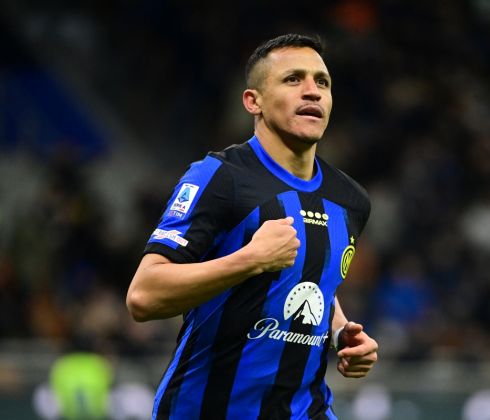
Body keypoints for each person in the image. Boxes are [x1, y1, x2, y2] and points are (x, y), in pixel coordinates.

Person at [126, 33, 378, 419]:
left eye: (322, 82)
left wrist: (340, 331)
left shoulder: (350, 200)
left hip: (305, 410)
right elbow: (143, 296)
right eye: (293, 79)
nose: (312, 91)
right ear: (253, 101)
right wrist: (249, 260)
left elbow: (309, 278)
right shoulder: (220, 177)